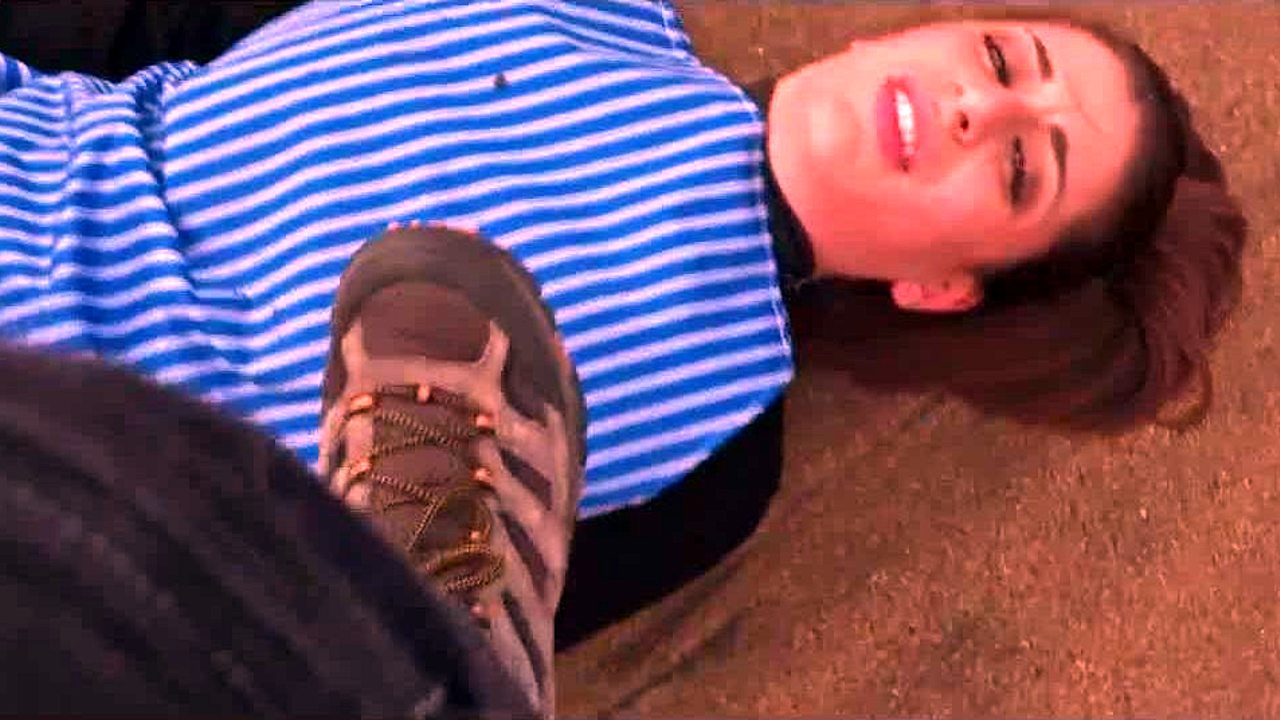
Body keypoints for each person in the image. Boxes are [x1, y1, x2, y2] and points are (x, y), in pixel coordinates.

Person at [0, 0, 1248, 715]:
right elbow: (162, 22)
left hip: (90, 540)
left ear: (940, 287)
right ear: (921, 33)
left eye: (1021, 167)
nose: (980, 107)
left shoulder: (717, 465)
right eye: (1001, 60)